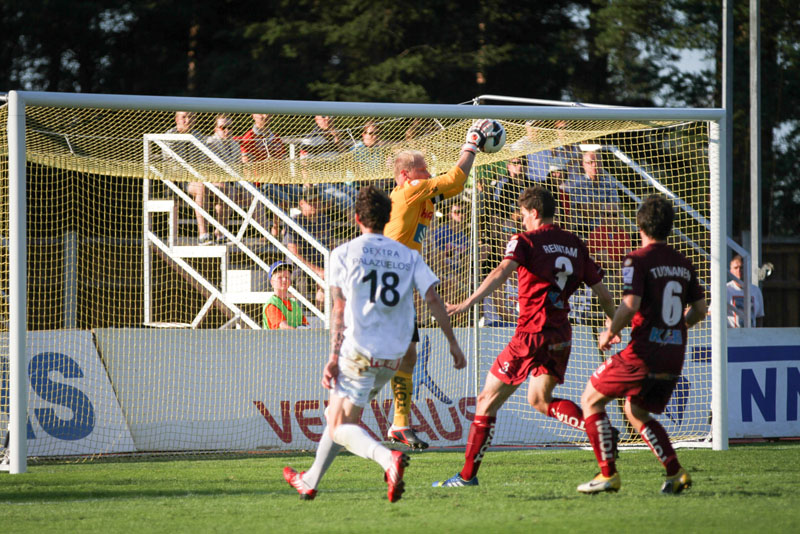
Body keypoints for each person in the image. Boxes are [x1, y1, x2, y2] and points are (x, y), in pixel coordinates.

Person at [282, 185, 466, 502]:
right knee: (339, 418)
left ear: (356, 218)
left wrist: (332, 356)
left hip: (358, 350)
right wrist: (453, 343)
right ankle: (309, 480)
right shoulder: (409, 255)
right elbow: (434, 298)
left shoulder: (343, 253)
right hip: (393, 356)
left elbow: (338, 309)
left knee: (339, 424)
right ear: (389, 217)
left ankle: (387, 459)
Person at [432, 186, 617, 488]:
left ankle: (466, 477)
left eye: (523, 216)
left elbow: (501, 272)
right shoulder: (575, 244)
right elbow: (604, 293)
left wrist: (468, 302)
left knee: (485, 401)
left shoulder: (525, 241)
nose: (522, 222)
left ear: (533, 213)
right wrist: (611, 325)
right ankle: (596, 428)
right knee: (539, 400)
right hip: (561, 335)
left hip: (531, 333)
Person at [577, 194, 707, 495]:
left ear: (640, 226)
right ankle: (675, 473)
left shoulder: (637, 259)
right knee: (636, 411)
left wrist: (610, 331)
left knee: (590, 400)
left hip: (643, 352)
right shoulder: (683, 262)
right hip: (673, 354)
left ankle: (607, 474)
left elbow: (630, 303)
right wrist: (674, 329)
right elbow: (700, 310)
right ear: (670, 227)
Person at [381, 120, 494, 449]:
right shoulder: (409, 191)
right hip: (387, 282)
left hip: (398, 282)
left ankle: (400, 424)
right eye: (423, 170)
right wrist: (471, 144)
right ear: (406, 175)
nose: (428, 175)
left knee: (409, 355)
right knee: (381, 359)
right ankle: (348, 421)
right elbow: (457, 181)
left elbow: (449, 187)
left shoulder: (420, 197)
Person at [163, 111, 212, 245]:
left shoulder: (198, 136)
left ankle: (216, 235)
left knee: (218, 188)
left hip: (194, 180)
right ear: (176, 119)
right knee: (199, 187)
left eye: (191, 117)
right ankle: (174, 237)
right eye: (184, 117)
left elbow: (203, 162)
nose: (188, 120)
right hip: (175, 180)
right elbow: (172, 165)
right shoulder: (169, 136)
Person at [284, 190, 331, 311]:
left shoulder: (324, 220)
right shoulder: (294, 222)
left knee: (333, 278)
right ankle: (303, 317)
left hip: (320, 267)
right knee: (302, 276)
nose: (315, 204)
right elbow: (294, 253)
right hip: (299, 269)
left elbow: (332, 246)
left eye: (317, 200)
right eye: (311, 202)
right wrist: (317, 271)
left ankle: (322, 318)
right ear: (301, 203)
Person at [205, 114, 243, 243]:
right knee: (227, 191)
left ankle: (267, 237)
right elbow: (208, 169)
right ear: (215, 129)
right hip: (210, 183)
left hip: (230, 183)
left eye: (230, 127)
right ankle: (220, 232)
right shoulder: (209, 143)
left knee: (254, 196)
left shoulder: (236, 146)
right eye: (223, 127)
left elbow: (239, 169)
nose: (227, 130)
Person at [567, 150, 620, 237]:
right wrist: (606, 206)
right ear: (583, 165)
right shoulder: (579, 185)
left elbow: (616, 209)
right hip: (585, 231)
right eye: (590, 162)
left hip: (607, 231)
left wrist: (596, 205)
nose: (594, 165)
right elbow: (588, 213)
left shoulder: (609, 183)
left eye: (597, 162)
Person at [262, 261, 308, 330]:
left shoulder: (294, 304)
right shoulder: (271, 305)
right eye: (280, 277)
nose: (284, 280)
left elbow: (306, 324)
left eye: (287, 277)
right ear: (272, 282)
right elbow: (284, 327)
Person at [726, 253, 765, 327]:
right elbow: (711, 313)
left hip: (750, 336)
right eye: (736, 268)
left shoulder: (756, 291)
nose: (739, 270)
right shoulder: (725, 290)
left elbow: (759, 317)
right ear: (731, 270)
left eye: (742, 267)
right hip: (731, 336)